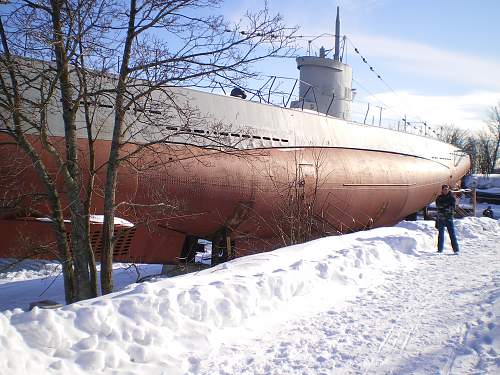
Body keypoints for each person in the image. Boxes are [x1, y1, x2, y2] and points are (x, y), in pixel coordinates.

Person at [435, 184, 459, 254]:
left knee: (452, 234)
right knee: (440, 234)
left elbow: (452, 208)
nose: (445, 190)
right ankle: (440, 250)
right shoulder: (439, 197)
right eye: (444, 189)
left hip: (449, 218)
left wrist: (444, 207)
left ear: (448, 189)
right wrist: (446, 207)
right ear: (442, 190)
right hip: (441, 218)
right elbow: (438, 206)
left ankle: (456, 250)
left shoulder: (452, 198)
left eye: (447, 189)